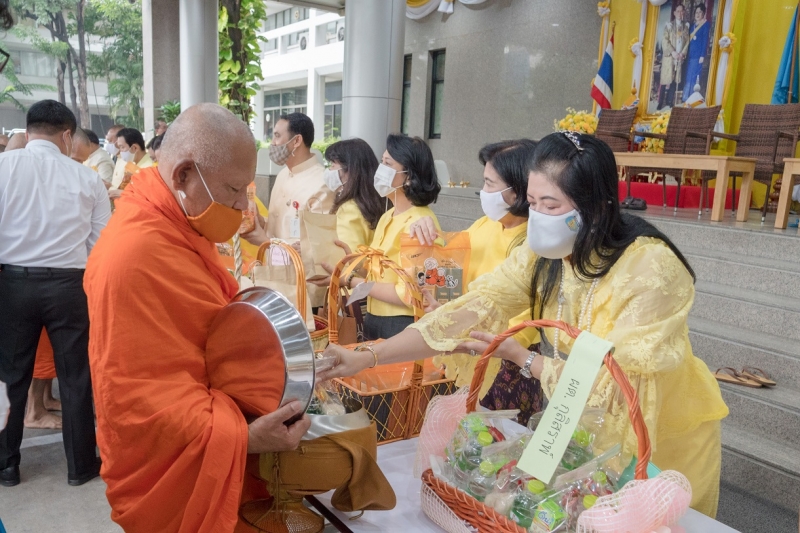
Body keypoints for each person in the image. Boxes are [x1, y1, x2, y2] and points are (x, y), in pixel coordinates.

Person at [320, 132, 728, 518]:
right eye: (532, 203)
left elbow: (618, 386)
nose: (538, 218)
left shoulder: (651, 268)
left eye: (552, 206)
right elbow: (468, 310)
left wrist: (526, 361)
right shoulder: (544, 255)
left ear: (598, 205)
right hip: (583, 407)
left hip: (662, 438)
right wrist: (366, 356)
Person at [84, 103, 310, 532]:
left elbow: (209, 327)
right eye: (233, 190)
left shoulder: (176, 222)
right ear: (183, 175)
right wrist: (244, 438)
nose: (244, 205)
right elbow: (138, 401)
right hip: (171, 468)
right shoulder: (132, 254)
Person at [0, 99, 110, 488]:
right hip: (69, 286)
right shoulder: (88, 178)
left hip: (12, 282)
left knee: (11, 375)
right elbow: (101, 245)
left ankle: (6, 466)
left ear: (27, 132)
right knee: (76, 375)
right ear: (67, 135)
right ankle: (80, 466)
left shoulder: (2, 168)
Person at [410, 139, 542, 424]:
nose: (483, 193)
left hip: (503, 363)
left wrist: (458, 326)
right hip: (467, 350)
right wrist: (440, 303)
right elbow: (453, 274)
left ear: (518, 190)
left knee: (495, 449)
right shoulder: (485, 225)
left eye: (490, 184)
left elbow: (523, 322)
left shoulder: (530, 243)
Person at [341, 134, 442, 341]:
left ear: (409, 177)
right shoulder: (389, 215)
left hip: (401, 322)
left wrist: (354, 282)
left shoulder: (421, 224)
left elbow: (409, 293)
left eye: (388, 163)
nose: (380, 170)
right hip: (376, 316)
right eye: (381, 162)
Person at [264, 113, 334, 307]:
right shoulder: (282, 175)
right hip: (275, 280)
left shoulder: (322, 182)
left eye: (278, 136)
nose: (273, 143)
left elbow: (319, 245)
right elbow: (276, 225)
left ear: (297, 141)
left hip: (303, 288)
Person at [323, 138, 386, 252]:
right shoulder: (380, 201)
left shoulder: (349, 209)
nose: (329, 170)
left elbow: (347, 257)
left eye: (333, 164)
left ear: (350, 170)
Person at [658, 3, 689, 110]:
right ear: (675, 13)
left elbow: (687, 42)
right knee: (666, 80)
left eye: (682, 11)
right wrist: (673, 52)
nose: (680, 13)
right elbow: (665, 41)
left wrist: (682, 54)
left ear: (684, 13)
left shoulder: (685, 27)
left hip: (679, 58)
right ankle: (660, 102)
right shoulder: (669, 26)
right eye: (678, 11)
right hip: (670, 57)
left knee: (674, 80)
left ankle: (670, 102)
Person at [109, 128, 154, 200]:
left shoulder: (150, 168)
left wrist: (122, 193)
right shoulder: (134, 165)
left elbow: (149, 197)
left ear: (134, 148)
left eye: (122, 147)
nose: (120, 151)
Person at [682, 4, 710, 100]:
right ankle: (686, 97)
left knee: (694, 77)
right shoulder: (693, 26)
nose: (698, 14)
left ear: (703, 13)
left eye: (700, 12)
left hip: (698, 56)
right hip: (690, 55)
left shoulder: (705, 25)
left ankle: (692, 98)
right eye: (696, 12)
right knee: (688, 76)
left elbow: (705, 40)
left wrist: (702, 55)